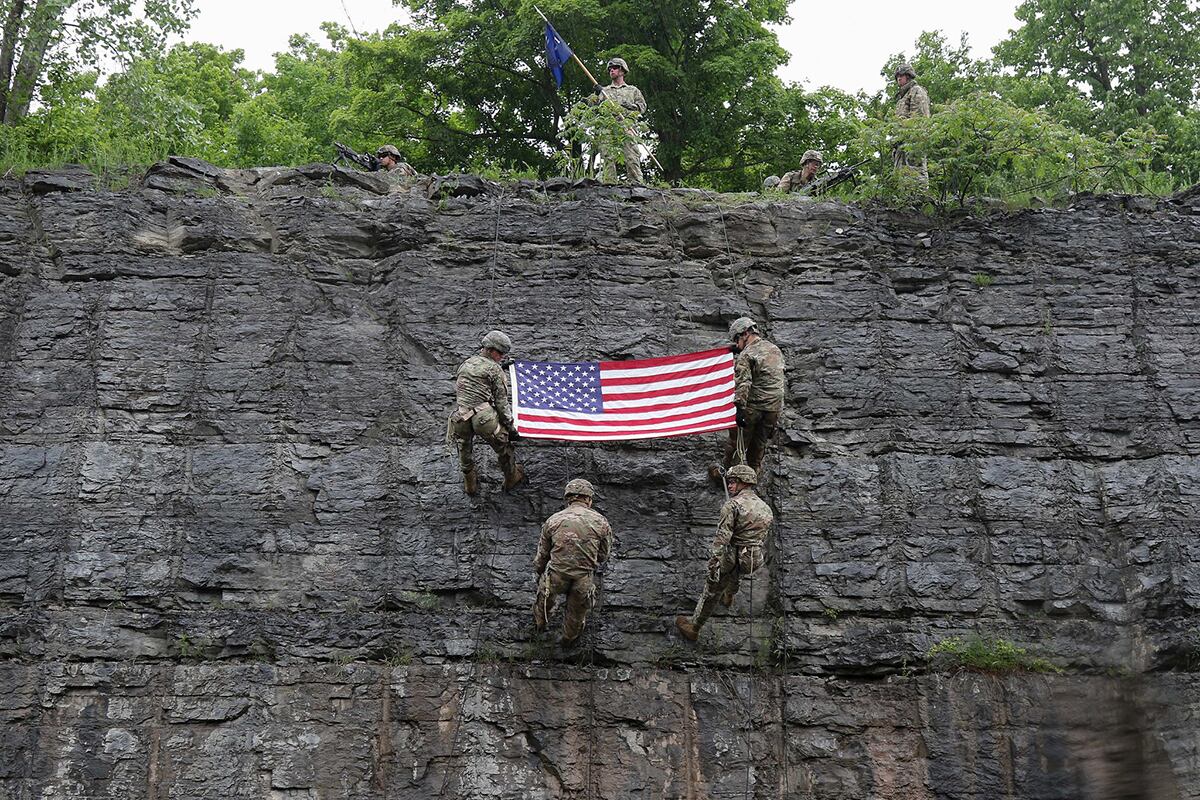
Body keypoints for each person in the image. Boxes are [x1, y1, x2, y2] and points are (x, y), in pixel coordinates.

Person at [676, 465, 772, 642]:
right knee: (736, 575)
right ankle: (729, 595)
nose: (729, 486)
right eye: (729, 482)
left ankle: (694, 627)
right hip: (753, 557)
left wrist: (714, 561)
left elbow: (723, 537)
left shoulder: (732, 505)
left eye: (733, 482)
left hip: (732, 555)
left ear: (744, 482)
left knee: (712, 590)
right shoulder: (765, 508)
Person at [534, 478, 614, 646]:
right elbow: (603, 555)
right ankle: (568, 640)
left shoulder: (553, 520)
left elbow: (543, 554)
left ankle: (540, 625)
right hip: (583, 577)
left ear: (568, 498)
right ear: (588, 499)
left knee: (545, 600)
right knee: (576, 613)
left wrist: (539, 571)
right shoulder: (601, 522)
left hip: (557, 575)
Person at [446, 330, 525, 495]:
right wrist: (511, 428)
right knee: (503, 447)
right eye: (500, 353)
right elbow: (502, 403)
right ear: (490, 349)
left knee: (464, 448)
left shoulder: (466, 364)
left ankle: (470, 483)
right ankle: (511, 476)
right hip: (484, 418)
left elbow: (475, 378)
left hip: (460, 417)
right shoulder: (495, 371)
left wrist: (497, 367)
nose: (502, 356)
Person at [710, 317, 786, 482]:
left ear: (745, 334)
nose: (737, 344)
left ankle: (729, 478)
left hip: (752, 409)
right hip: (773, 410)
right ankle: (752, 481)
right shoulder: (774, 350)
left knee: (737, 445)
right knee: (758, 448)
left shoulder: (747, 354)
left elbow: (744, 383)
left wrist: (739, 409)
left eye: (737, 339)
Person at [589, 57, 648, 184]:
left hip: (627, 124)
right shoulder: (604, 91)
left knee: (631, 154)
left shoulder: (633, 90)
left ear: (622, 70)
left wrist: (629, 106)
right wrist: (596, 95)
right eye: (610, 69)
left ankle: (636, 183)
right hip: (608, 124)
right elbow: (594, 109)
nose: (611, 70)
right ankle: (609, 183)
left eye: (614, 68)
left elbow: (642, 107)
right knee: (607, 154)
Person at [892, 63, 930, 184]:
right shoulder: (902, 97)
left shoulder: (916, 91)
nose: (899, 78)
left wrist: (905, 130)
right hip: (902, 141)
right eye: (897, 76)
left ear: (908, 76)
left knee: (916, 173)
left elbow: (919, 118)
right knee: (901, 176)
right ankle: (904, 199)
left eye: (902, 75)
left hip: (914, 139)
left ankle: (921, 199)